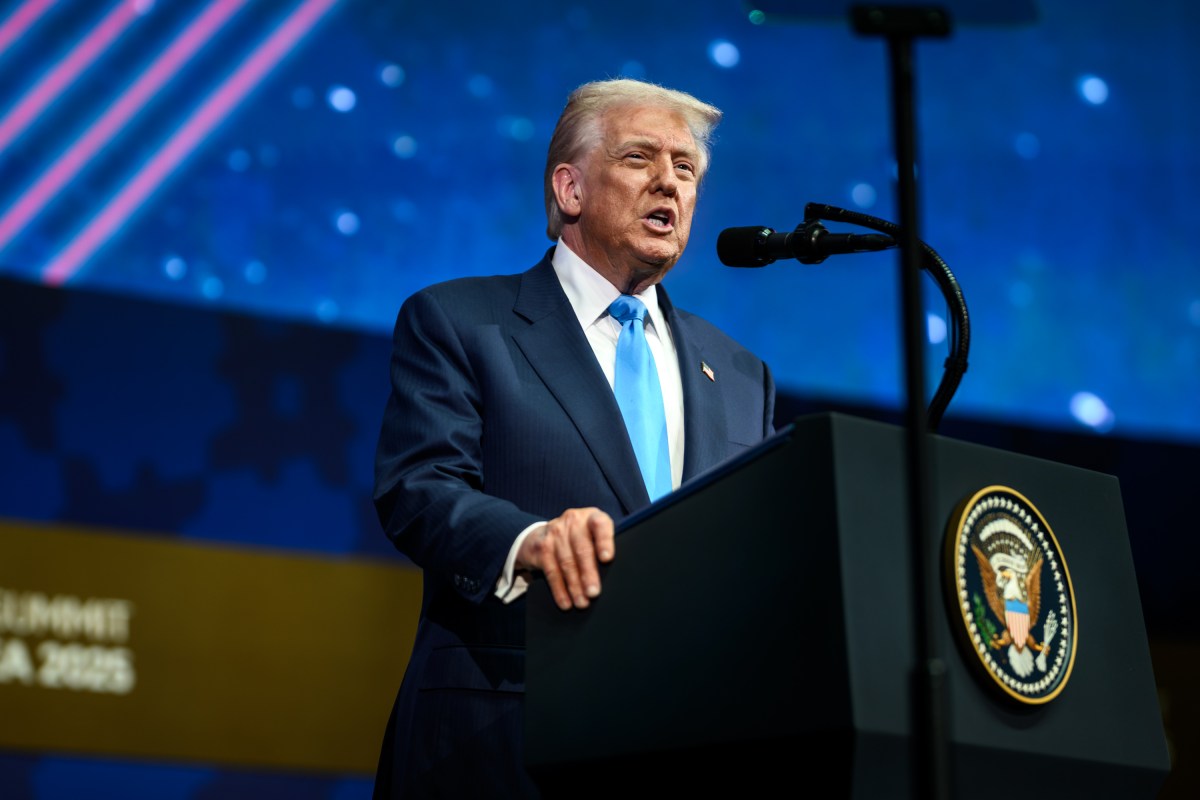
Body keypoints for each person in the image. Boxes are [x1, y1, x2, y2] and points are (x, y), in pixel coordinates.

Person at [371, 77, 775, 798]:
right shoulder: (463, 323)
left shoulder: (742, 375)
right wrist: (530, 542)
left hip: (690, 749)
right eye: (638, 158)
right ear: (570, 189)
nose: (669, 184)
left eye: (685, 169)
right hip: (507, 737)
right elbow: (420, 488)